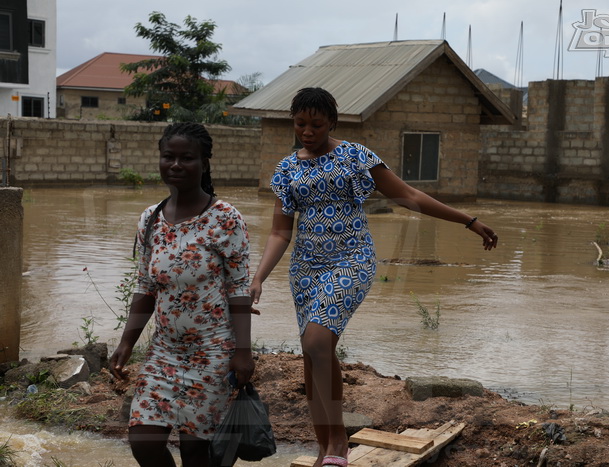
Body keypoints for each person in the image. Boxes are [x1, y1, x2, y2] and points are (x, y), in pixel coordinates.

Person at [249, 87, 498, 467]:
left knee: (317, 342)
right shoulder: (286, 169)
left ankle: (337, 444)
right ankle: (323, 449)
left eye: (316, 124)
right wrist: (258, 277)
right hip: (306, 269)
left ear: (332, 121)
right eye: (300, 124)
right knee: (312, 355)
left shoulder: (354, 156)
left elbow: (410, 195)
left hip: (351, 259)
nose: (307, 131)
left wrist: (469, 221)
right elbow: (281, 233)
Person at [109, 122, 255, 467]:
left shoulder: (225, 218)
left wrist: (243, 352)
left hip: (213, 352)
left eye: (186, 158)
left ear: (204, 163)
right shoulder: (151, 219)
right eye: (168, 157)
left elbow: (238, 290)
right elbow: (145, 287)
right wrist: (127, 342)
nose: (175, 165)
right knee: (143, 441)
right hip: (165, 351)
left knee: (197, 453)